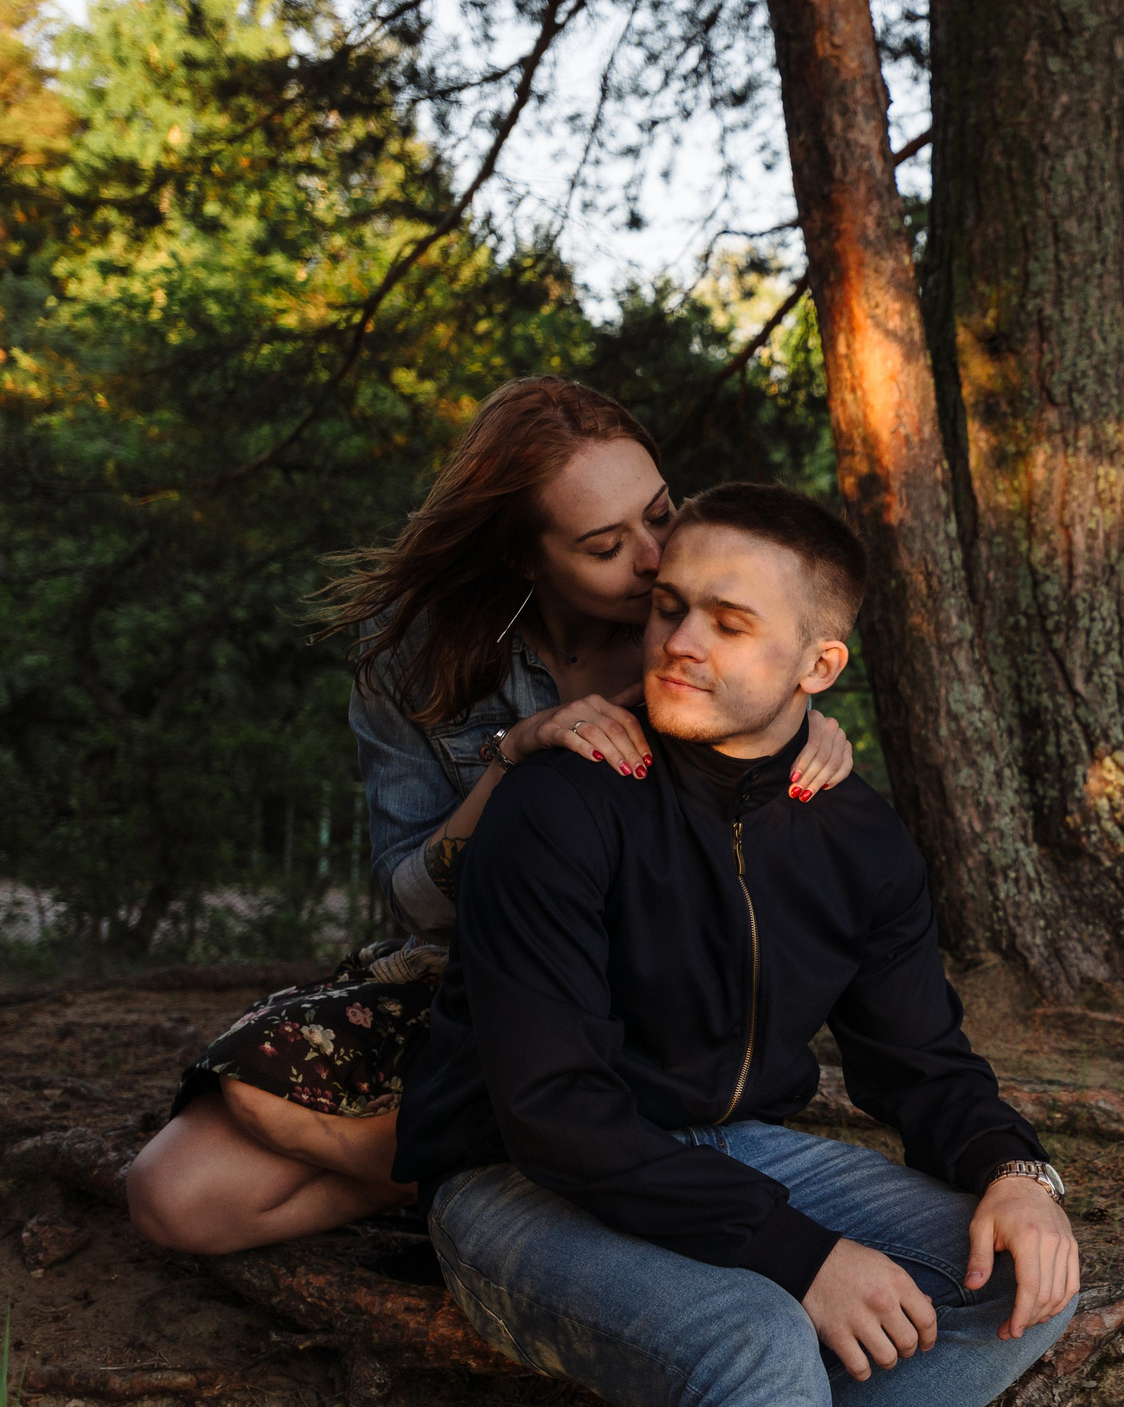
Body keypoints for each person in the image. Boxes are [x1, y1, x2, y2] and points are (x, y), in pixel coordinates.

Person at [396, 481, 1079, 1407]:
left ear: (819, 667)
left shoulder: (857, 833)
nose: (678, 642)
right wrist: (798, 1253)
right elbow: (553, 1107)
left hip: (731, 1147)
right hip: (513, 1185)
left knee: (1022, 1277)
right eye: (669, 608)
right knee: (762, 1337)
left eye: (729, 620)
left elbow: (919, 1057)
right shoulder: (564, 802)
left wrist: (1017, 1169)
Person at [124, 380, 856, 1254]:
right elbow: (414, 899)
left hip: (639, 1014)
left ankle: (463, 1156)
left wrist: (802, 723)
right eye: (604, 544)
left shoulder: (701, 634)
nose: (658, 557)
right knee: (172, 1196)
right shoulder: (415, 654)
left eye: (660, 512)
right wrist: (516, 755)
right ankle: (450, 1167)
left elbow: (768, 832)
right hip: (471, 978)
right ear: (525, 558)